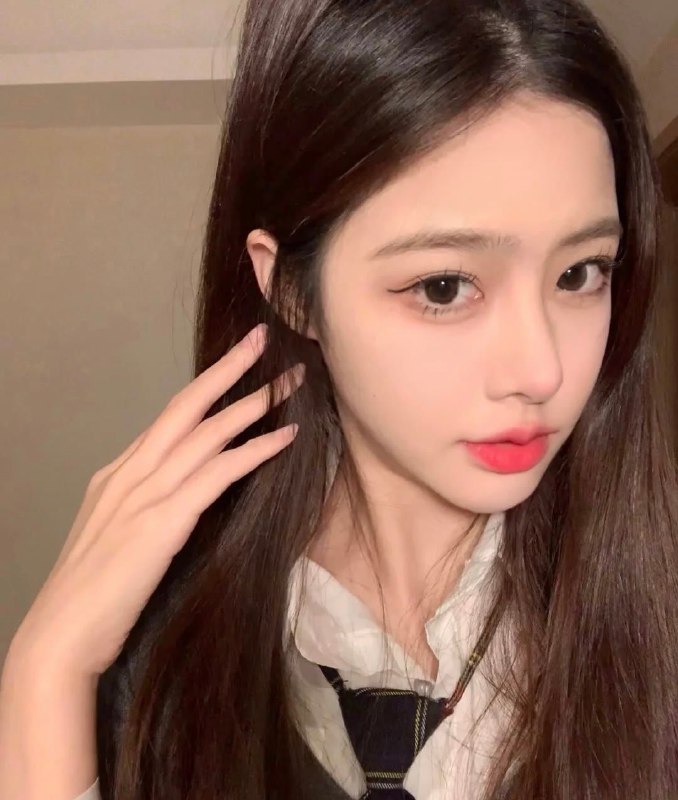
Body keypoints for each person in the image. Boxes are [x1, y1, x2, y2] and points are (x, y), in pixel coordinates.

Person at [1, 0, 677, 798]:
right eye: (444, 286)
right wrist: (44, 674)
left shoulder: (652, 619)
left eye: (579, 273)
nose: (542, 370)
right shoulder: (165, 644)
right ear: (293, 291)